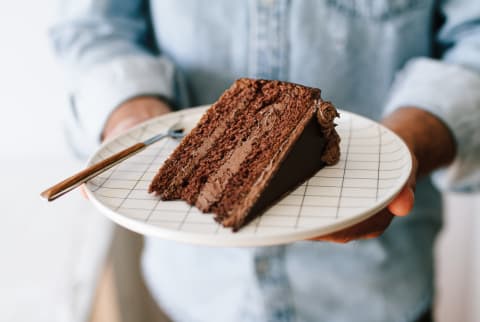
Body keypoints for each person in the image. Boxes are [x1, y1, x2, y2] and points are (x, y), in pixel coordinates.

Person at [51, 1, 480, 321]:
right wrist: (131, 115)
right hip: (196, 293)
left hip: (374, 295)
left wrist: (399, 149)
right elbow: (95, 27)